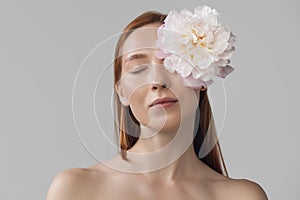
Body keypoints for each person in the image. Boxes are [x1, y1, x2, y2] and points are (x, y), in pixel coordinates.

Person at [46, 5, 269, 200]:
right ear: (121, 92)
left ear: (201, 77)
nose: (157, 81)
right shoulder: (75, 189)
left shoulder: (243, 196)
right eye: (139, 69)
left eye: (171, 64)